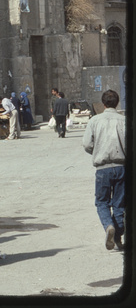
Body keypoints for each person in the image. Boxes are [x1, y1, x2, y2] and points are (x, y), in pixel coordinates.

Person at [82, 90, 125, 251]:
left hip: (103, 169)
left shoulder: (95, 121)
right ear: (117, 103)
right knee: (120, 204)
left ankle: (108, 226)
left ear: (103, 103)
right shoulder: (124, 120)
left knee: (102, 202)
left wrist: (98, 151)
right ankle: (117, 236)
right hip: (122, 167)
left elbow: (87, 144)